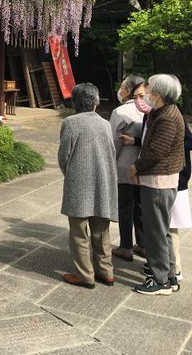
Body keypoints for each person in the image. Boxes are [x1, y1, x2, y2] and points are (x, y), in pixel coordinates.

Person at [128, 74, 185, 295]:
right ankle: (169, 276)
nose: (147, 94)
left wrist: (135, 167)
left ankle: (160, 280)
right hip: (159, 181)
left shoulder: (167, 117)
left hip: (158, 182)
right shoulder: (162, 112)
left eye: (149, 90)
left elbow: (156, 152)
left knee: (155, 233)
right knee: (162, 231)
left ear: (159, 95)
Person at [58, 83, 118, 289]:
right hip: (103, 181)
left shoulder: (71, 123)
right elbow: (111, 152)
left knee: (79, 232)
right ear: (96, 101)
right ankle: (106, 271)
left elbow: (63, 156)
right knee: (101, 231)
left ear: (75, 102)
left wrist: (71, 174)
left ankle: (84, 274)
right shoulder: (105, 124)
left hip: (79, 184)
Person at [109, 75, 147, 262]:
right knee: (140, 206)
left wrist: (110, 162)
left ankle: (125, 246)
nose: (120, 89)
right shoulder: (149, 109)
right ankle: (142, 244)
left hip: (124, 165)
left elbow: (114, 142)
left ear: (129, 90)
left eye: (123, 86)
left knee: (125, 206)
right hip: (144, 166)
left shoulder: (121, 111)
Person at [169, 122, 192, 281]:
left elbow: (191, 142)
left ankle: (176, 268)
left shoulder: (174, 116)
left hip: (177, 179)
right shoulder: (151, 116)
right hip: (162, 179)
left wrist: (169, 147)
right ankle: (165, 263)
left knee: (171, 227)